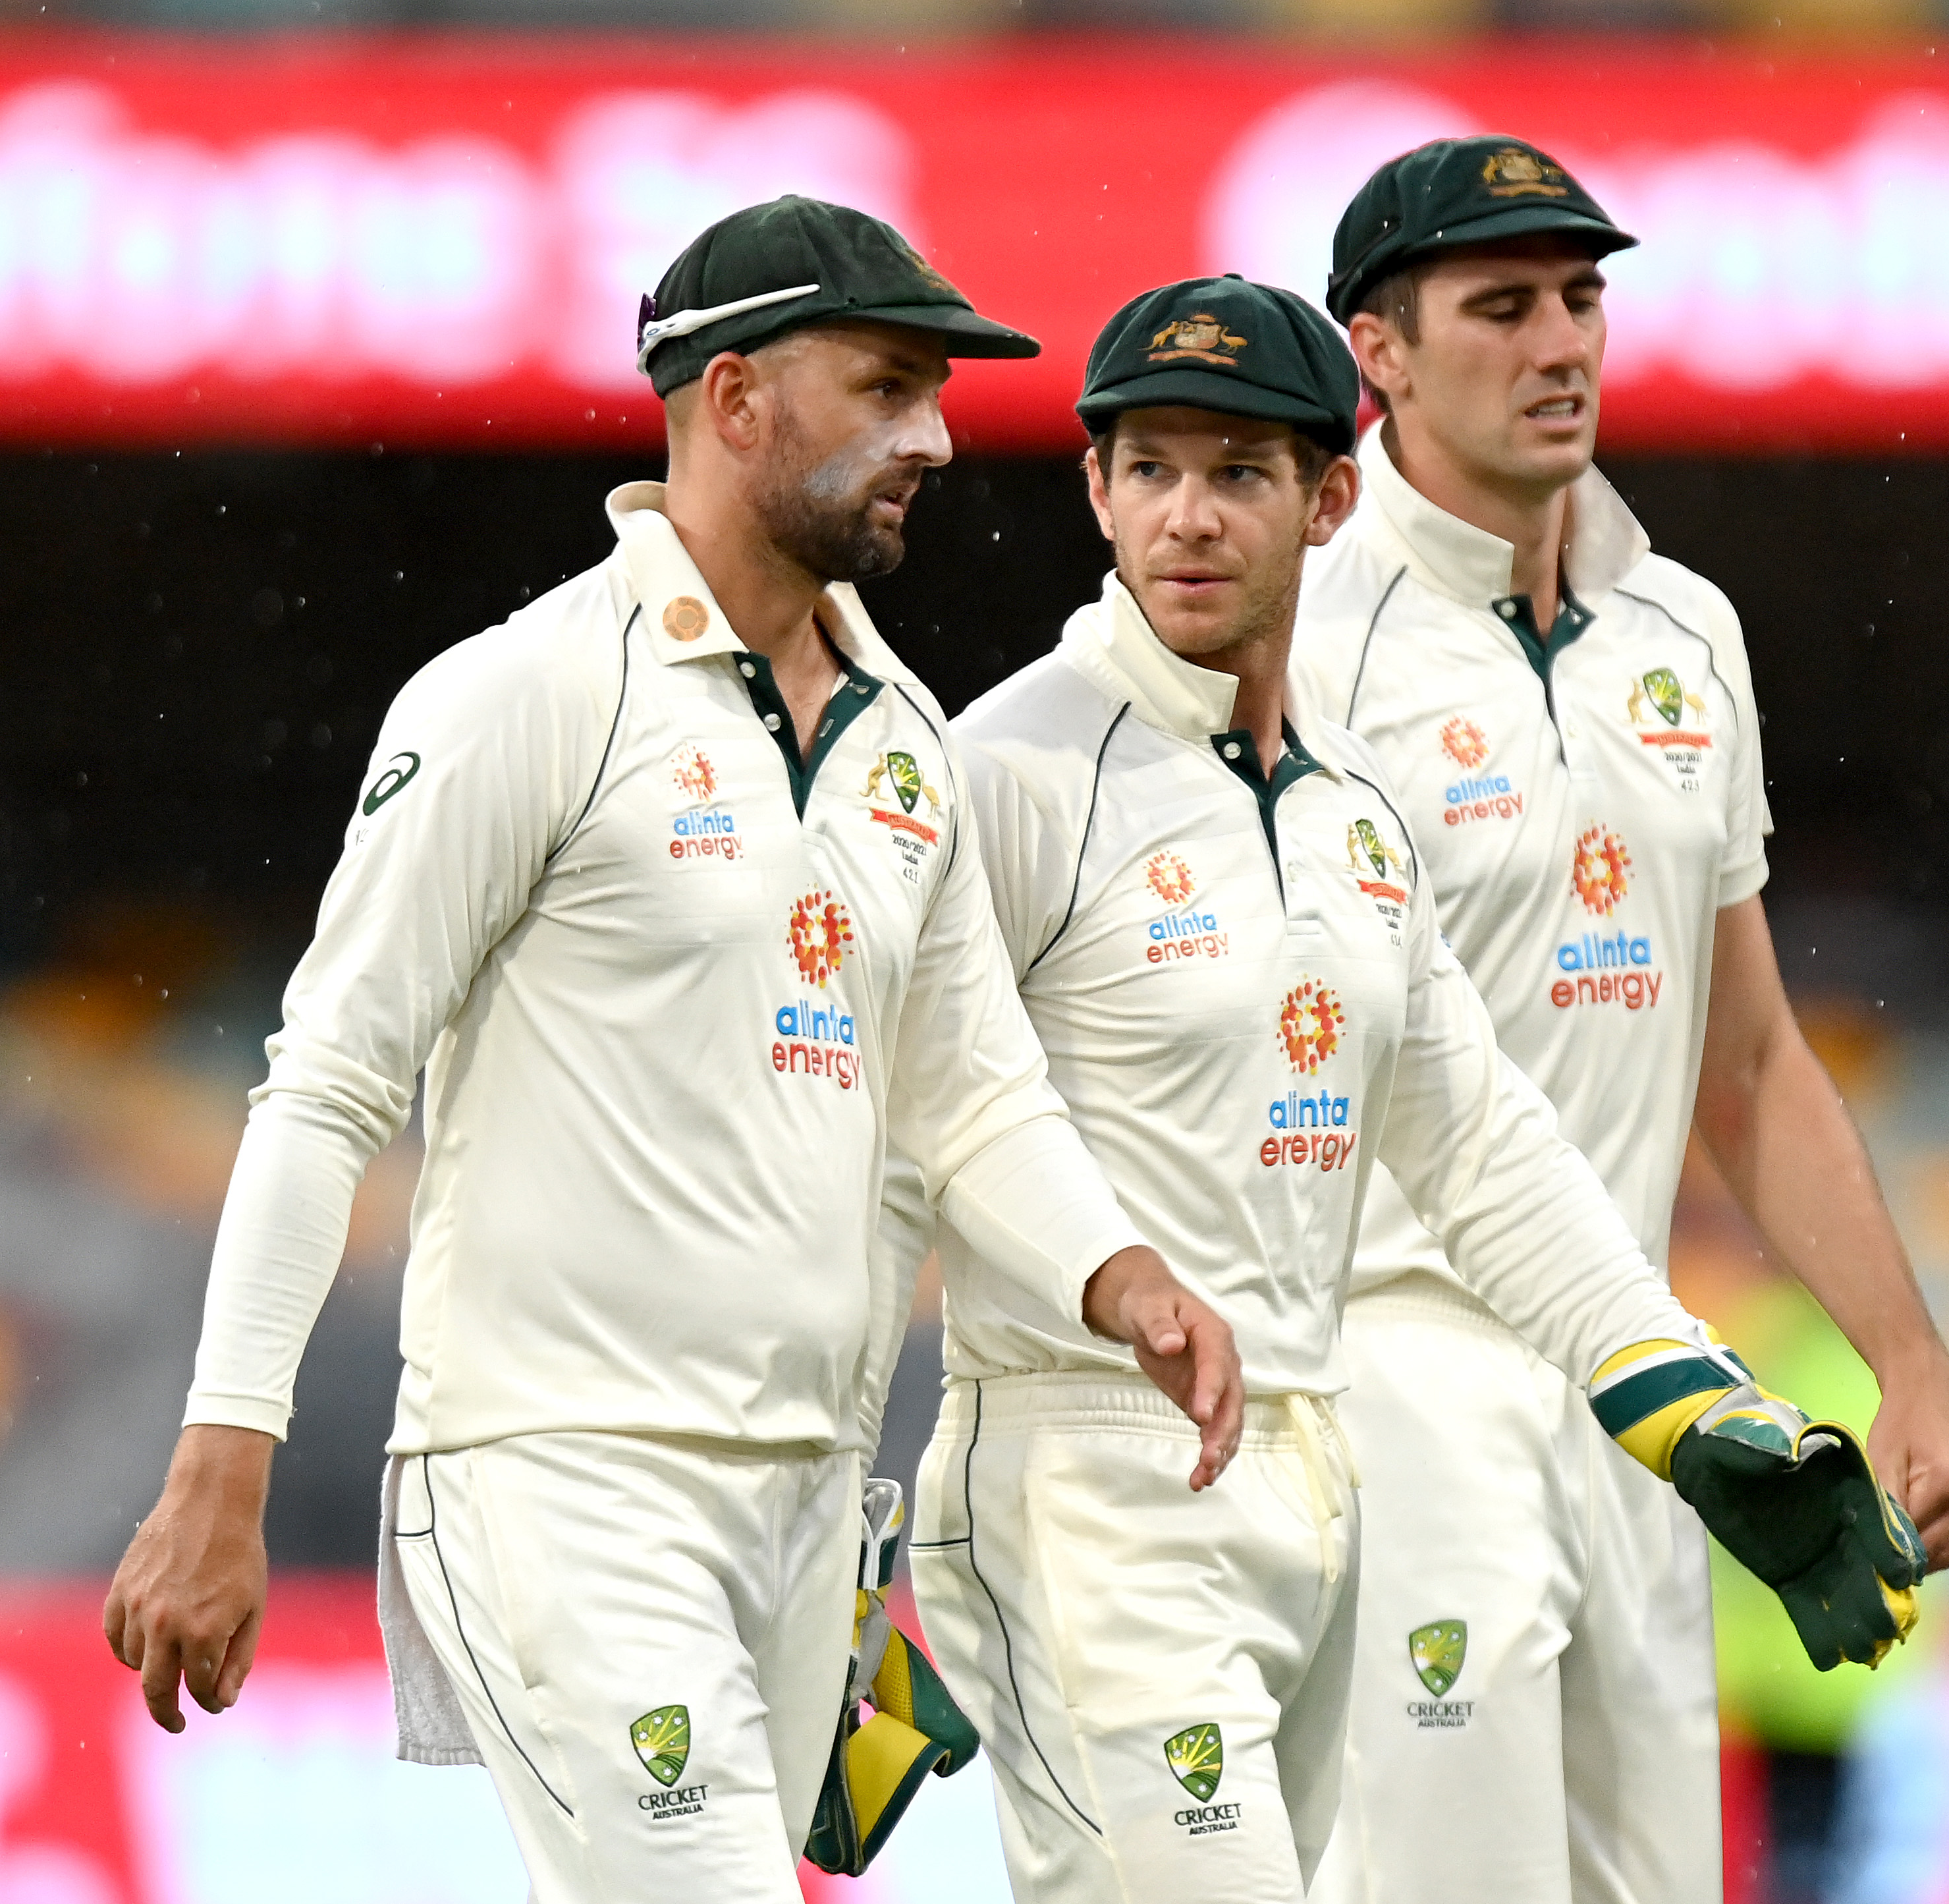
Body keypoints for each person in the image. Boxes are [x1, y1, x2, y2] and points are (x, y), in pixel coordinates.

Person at [99, 197, 1244, 1904]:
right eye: (884, 386)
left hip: (802, 1501)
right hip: (561, 1477)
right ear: (733, 400)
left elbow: (970, 1088)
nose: (933, 435)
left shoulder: (907, 738)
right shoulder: (526, 694)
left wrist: (1119, 1274)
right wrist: (220, 1460)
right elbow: (333, 1079)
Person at [903, 274, 1922, 1904]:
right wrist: (831, 1581)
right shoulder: (1001, 772)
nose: (1186, 516)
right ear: (1090, 487)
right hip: (1089, 1480)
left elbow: (1485, 1146)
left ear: (1326, 499)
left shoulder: (1353, 807)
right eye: (1147, 466)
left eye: (1239, 473)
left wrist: (1681, 1393)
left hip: (1307, 1478)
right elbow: (895, 1145)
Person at [1290, 137, 1949, 1904]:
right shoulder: (1294, 641)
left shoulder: (1684, 630)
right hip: (1399, 1382)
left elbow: (1745, 1058)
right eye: (1502, 306)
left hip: (1647, 1402)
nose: (1561, 343)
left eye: (1582, 298)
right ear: (1374, 351)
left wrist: (1907, 1358)